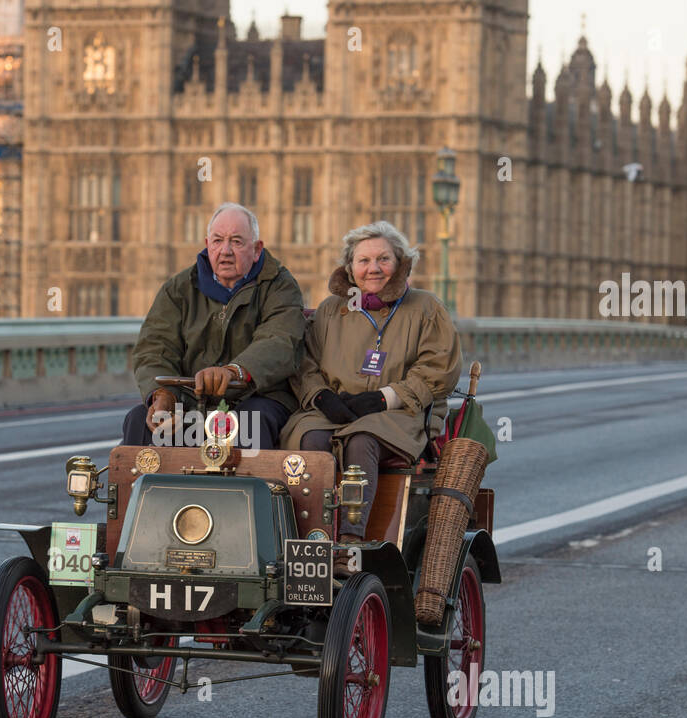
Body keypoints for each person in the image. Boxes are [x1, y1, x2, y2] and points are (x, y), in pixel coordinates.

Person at [282, 220, 461, 557]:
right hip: (332, 408)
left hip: (401, 412)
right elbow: (304, 363)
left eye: (383, 259)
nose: (373, 269)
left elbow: (438, 369)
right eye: (363, 261)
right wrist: (321, 396)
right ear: (350, 268)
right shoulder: (330, 310)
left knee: (362, 440)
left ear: (400, 263)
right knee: (311, 439)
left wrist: (383, 398)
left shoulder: (425, 307)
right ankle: (311, 536)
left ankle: (350, 540)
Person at [122, 202, 306, 449]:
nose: (226, 250)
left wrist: (234, 371)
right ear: (207, 245)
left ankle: (243, 489)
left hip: (257, 398)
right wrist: (163, 395)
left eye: (237, 242)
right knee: (138, 421)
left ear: (256, 249)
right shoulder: (179, 289)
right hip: (190, 401)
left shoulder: (280, 286)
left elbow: (280, 341)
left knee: (246, 422)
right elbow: (155, 347)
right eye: (218, 241)